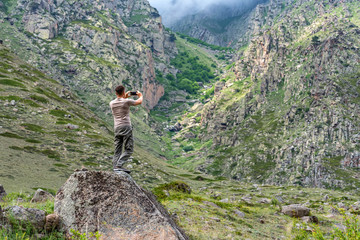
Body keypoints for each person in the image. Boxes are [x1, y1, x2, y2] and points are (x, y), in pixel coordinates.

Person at [109, 85, 143, 174]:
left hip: (117, 127)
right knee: (129, 149)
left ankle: (115, 167)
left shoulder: (112, 103)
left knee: (118, 149)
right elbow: (139, 102)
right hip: (126, 126)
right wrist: (140, 95)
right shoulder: (127, 102)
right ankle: (119, 165)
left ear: (116, 93)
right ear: (124, 92)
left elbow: (120, 100)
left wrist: (124, 96)